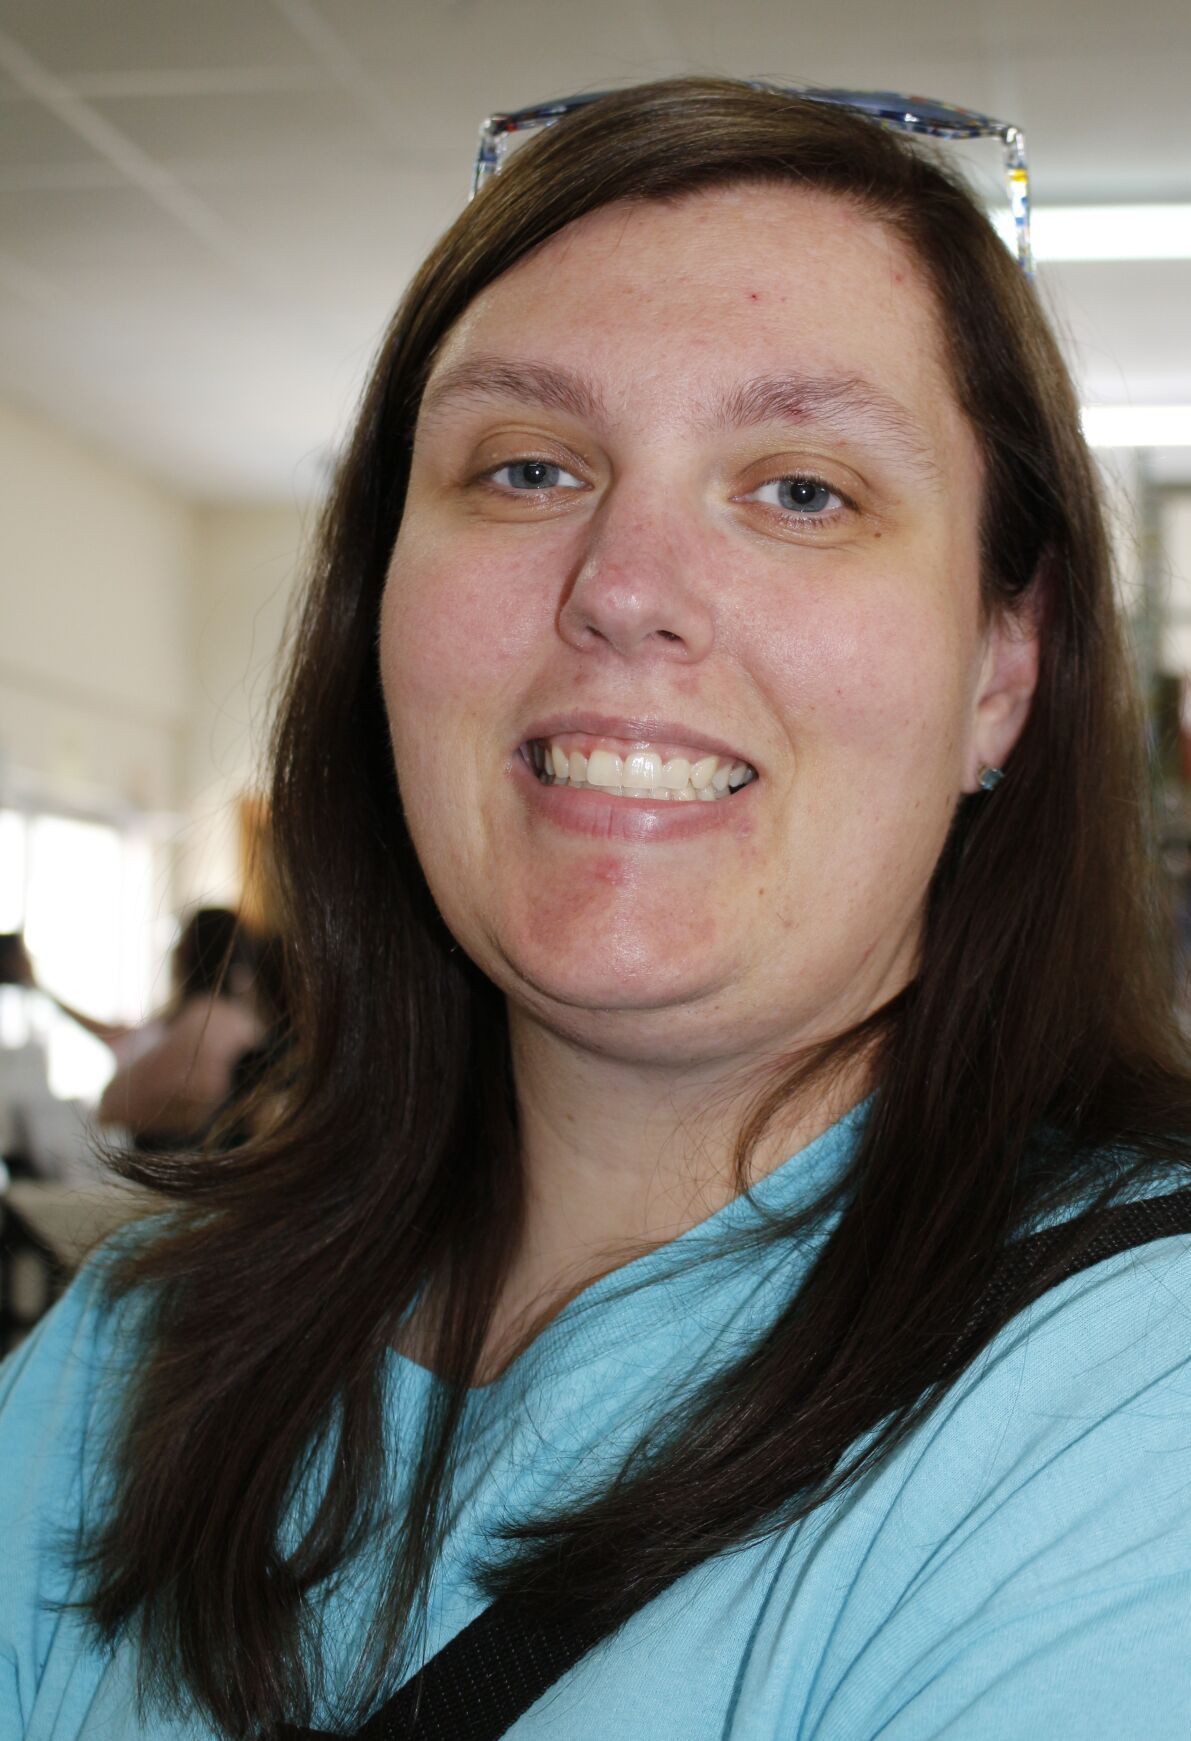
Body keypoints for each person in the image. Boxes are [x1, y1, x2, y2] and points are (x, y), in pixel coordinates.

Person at [3, 76, 1191, 1741]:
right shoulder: (126, 1356)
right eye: (527, 467)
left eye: (801, 490)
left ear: (1003, 666)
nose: (624, 587)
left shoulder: (1130, 1394)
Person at [93, 906, 266, 1149]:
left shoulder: (203, 1020)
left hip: (183, 1158)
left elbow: (113, 1102)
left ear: (193, 952)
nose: (174, 951)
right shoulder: (246, 1023)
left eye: (181, 941)